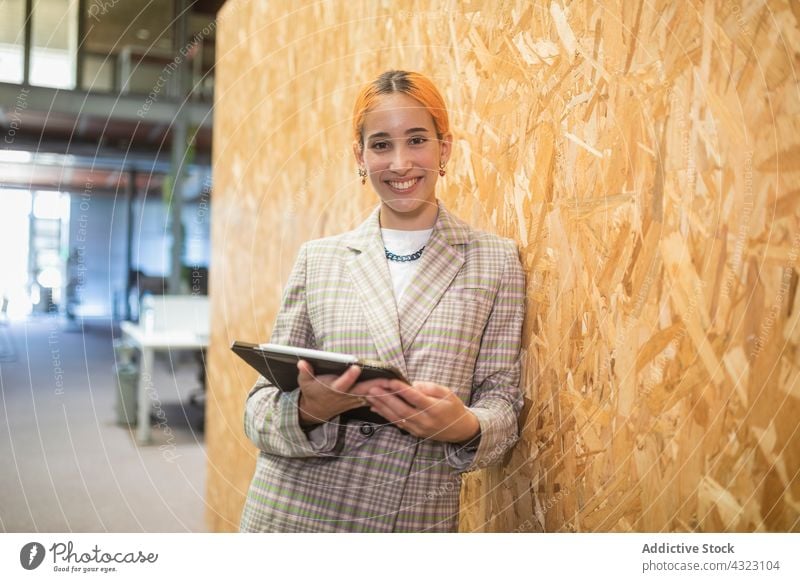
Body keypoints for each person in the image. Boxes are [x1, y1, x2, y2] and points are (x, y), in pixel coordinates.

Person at [240, 70, 525, 532]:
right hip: (292, 513)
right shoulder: (320, 259)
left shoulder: (495, 261)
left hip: (409, 517)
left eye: (417, 140)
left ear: (444, 148)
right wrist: (310, 409)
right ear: (359, 155)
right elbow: (257, 409)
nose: (399, 163)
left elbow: (503, 401)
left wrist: (465, 427)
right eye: (380, 145)